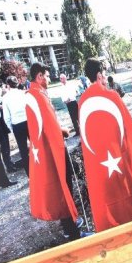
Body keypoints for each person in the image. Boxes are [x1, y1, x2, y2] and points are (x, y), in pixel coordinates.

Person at [79, 58, 132, 232]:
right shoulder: (111, 96)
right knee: (127, 192)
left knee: (108, 195)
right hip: (117, 158)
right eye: (104, 74)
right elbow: (130, 131)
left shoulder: (82, 101)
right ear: (99, 75)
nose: (106, 78)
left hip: (99, 162)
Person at [25, 63, 82, 239]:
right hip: (53, 150)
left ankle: (68, 222)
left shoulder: (36, 94)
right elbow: (47, 127)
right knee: (63, 186)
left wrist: (58, 130)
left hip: (49, 148)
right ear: (40, 77)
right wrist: (61, 132)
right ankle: (72, 232)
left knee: (61, 187)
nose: (49, 80)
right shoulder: (37, 96)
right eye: (47, 76)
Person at [2, 76, 30, 176]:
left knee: (23, 150)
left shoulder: (5, 98)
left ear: (8, 85)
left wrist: (11, 128)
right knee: (36, 146)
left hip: (17, 125)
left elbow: (6, 117)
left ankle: (30, 174)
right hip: (28, 121)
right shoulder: (23, 93)